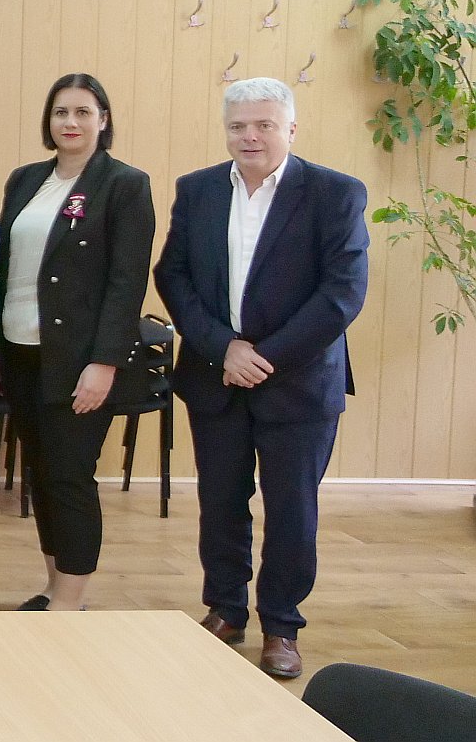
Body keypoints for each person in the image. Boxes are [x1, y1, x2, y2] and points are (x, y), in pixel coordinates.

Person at [154, 77, 369, 680]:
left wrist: (262, 357)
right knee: (221, 501)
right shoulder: (197, 190)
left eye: (264, 125)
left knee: (292, 509)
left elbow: (342, 294)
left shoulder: (335, 193)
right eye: (238, 126)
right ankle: (225, 609)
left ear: (290, 129)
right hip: (215, 374)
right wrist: (224, 348)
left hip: (298, 381)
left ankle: (281, 625)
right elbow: (173, 276)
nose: (250, 136)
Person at [0, 74, 155, 612]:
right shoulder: (26, 179)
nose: (70, 122)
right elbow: (2, 266)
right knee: (41, 472)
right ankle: (54, 585)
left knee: (70, 475)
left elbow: (127, 282)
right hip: (19, 350)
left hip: (80, 360)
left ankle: (70, 601)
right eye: (60, 112)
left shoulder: (124, 185)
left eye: (82, 112)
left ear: (103, 120)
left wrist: (104, 363)